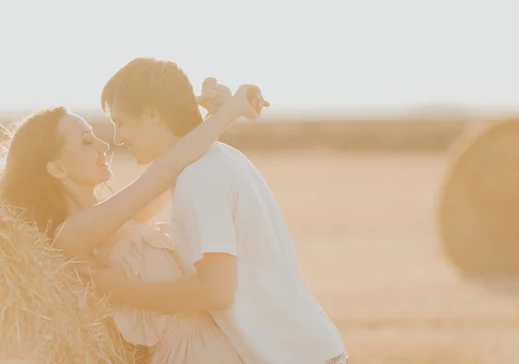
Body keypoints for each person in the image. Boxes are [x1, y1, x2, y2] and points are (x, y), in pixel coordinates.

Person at [91, 57, 348, 364]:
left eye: (121, 122)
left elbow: (215, 290)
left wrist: (123, 292)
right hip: (307, 350)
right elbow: (131, 214)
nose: (117, 138)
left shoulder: (199, 178)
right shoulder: (216, 159)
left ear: (152, 114)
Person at [0, 76, 268, 363]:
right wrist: (230, 112)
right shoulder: (74, 234)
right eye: (87, 141)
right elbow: (165, 170)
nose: (104, 145)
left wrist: (197, 113)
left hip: (217, 345)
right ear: (58, 169)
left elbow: (180, 163)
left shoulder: (118, 220)